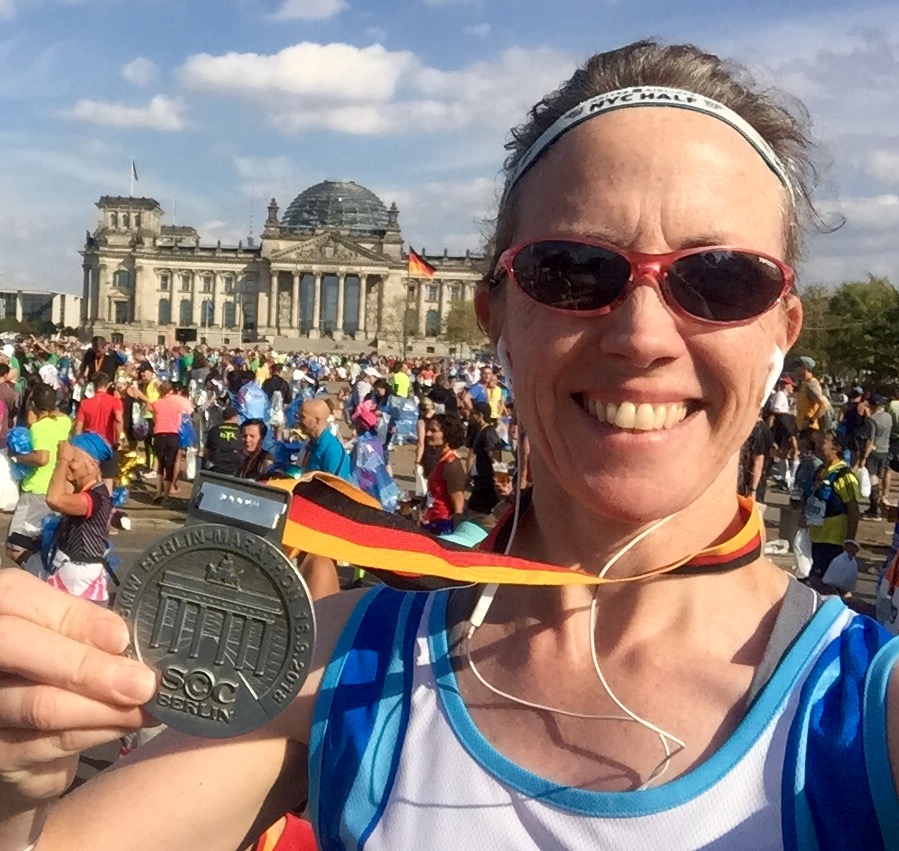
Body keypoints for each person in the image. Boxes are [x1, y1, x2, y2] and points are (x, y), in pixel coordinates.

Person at [5, 39, 899, 851]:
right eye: (574, 269)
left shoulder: (869, 715)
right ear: (494, 314)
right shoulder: (330, 668)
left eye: (720, 277)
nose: (643, 336)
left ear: (783, 327)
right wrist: (14, 791)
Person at [5, 383, 72, 568]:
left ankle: (37, 576)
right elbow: (62, 416)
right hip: (55, 490)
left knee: (14, 546)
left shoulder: (39, 428)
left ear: (32, 404)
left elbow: (42, 458)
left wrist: (18, 457)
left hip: (35, 491)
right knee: (41, 543)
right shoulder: (63, 423)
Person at [43, 433, 115, 604]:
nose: (68, 465)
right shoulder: (83, 489)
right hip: (67, 571)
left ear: (92, 466)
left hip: (82, 582)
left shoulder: (96, 497)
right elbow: (61, 491)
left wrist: (62, 461)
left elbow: (55, 499)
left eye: (73, 460)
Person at [806, 429, 861, 584]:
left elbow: (853, 510)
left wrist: (850, 541)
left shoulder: (844, 475)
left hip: (833, 540)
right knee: (821, 581)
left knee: (822, 583)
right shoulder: (821, 470)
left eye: (823, 442)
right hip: (817, 536)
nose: (817, 445)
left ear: (836, 448)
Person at [73, 371, 122, 495]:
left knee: (89, 481)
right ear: (109, 384)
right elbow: (118, 419)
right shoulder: (115, 401)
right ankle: (107, 510)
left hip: (89, 447)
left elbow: (78, 428)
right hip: (107, 444)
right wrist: (118, 437)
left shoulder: (85, 403)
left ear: (93, 385)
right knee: (108, 481)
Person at [420, 411, 467, 534]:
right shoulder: (441, 458)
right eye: (428, 430)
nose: (428, 434)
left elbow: (458, 503)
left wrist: (456, 533)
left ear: (447, 434)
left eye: (434, 431)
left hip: (442, 525)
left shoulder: (452, 464)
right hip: (431, 520)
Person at [466, 400, 505, 517]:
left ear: (481, 415)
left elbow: (495, 455)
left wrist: (498, 477)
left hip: (487, 479)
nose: (471, 415)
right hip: (481, 477)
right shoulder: (479, 431)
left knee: (478, 509)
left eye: (473, 413)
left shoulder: (489, 433)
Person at [863, 395, 893, 520]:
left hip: (874, 451)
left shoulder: (872, 419)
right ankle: (877, 504)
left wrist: (864, 456)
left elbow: (871, 439)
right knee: (881, 476)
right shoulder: (888, 417)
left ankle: (874, 509)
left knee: (872, 478)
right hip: (885, 450)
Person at [793, 356, 831, 431]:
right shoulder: (805, 384)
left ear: (805, 368)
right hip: (803, 428)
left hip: (810, 430)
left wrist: (812, 420)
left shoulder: (811, 384)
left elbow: (825, 404)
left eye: (797, 366)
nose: (795, 369)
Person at [203, 405, 242, 476]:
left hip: (217, 466)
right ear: (233, 418)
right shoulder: (241, 430)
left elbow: (206, 452)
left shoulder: (214, 430)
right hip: (235, 468)